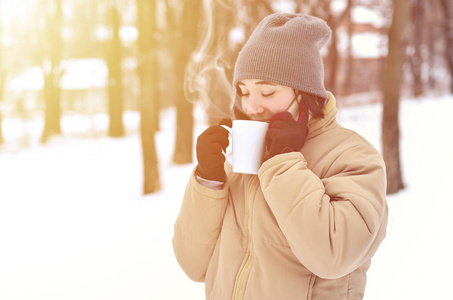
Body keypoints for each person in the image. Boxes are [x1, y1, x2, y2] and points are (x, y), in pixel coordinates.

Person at [173, 12, 388, 300]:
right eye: (244, 91)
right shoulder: (241, 161)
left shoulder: (352, 157)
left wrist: (284, 162)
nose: (251, 106)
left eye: (267, 92)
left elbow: (334, 256)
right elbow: (193, 265)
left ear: (306, 93)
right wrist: (208, 180)